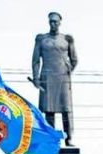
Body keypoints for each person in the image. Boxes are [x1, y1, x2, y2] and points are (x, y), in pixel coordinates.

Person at [32, 11, 77, 146]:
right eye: (51, 21)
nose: (53, 24)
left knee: (66, 110)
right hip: (47, 77)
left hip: (62, 78)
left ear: (60, 23)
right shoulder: (42, 39)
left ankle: (69, 139)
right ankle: (51, 139)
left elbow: (74, 59)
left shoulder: (66, 39)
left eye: (55, 22)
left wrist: (67, 71)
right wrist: (36, 77)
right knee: (49, 111)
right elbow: (35, 60)